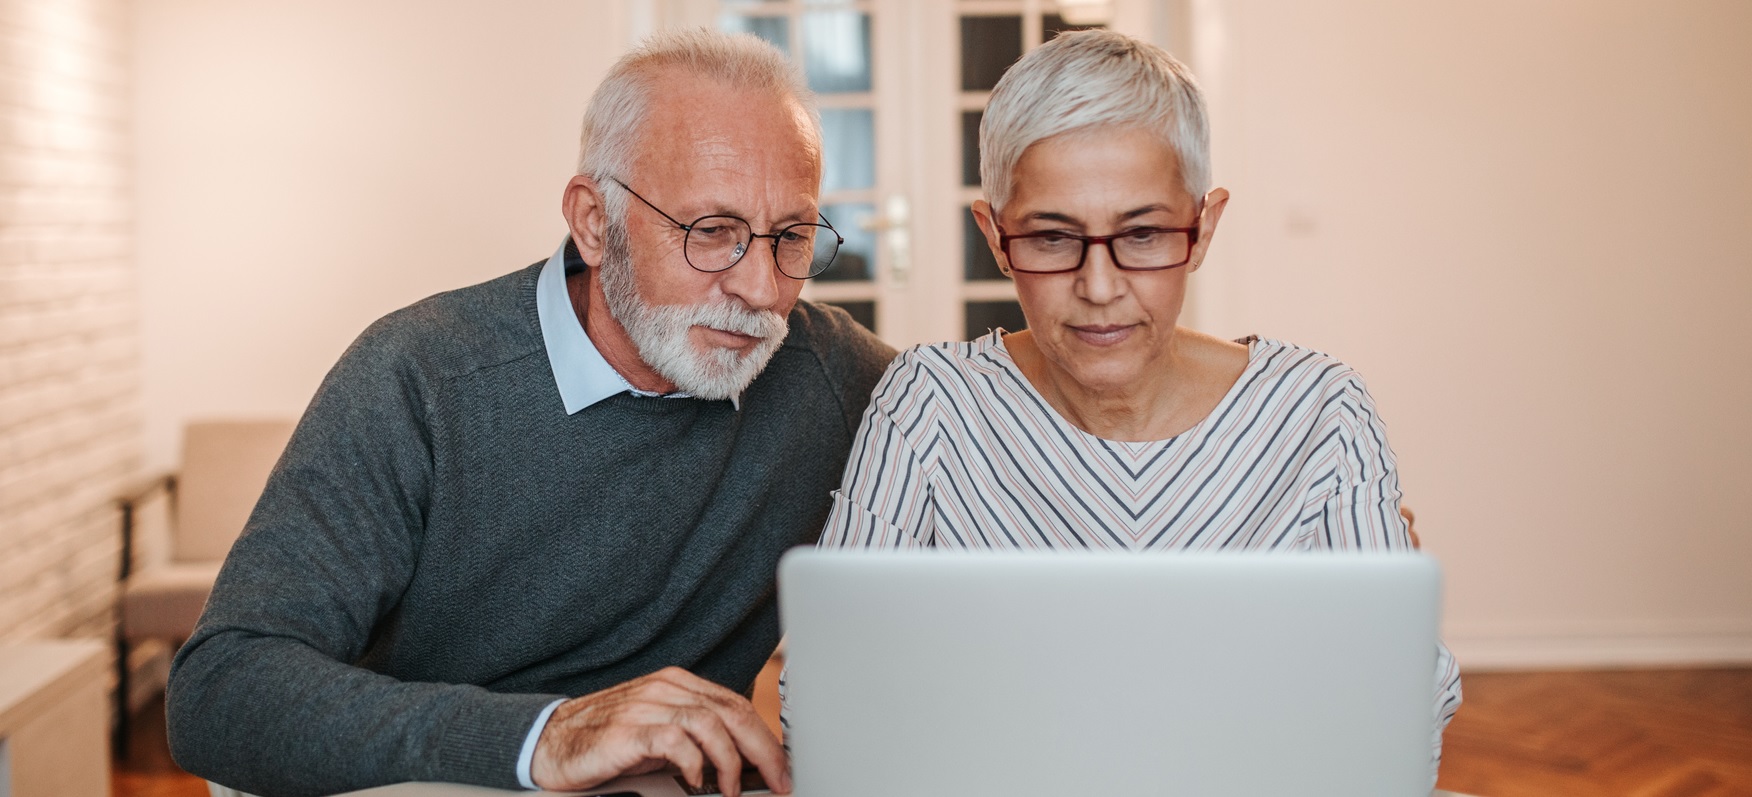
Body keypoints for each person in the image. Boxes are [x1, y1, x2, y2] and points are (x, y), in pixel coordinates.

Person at [166, 30, 893, 797]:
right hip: (437, 781)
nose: (759, 286)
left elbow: (988, 403)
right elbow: (220, 686)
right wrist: (546, 732)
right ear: (592, 220)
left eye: (791, 237)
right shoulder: (421, 377)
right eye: (711, 232)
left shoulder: (831, 374)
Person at [808, 30, 1461, 779]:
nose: (1099, 286)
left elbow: (1402, 713)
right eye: (1053, 238)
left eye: (1143, 233)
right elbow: (828, 698)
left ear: (1203, 227)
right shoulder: (927, 403)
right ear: (994, 234)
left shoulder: (1322, 413)